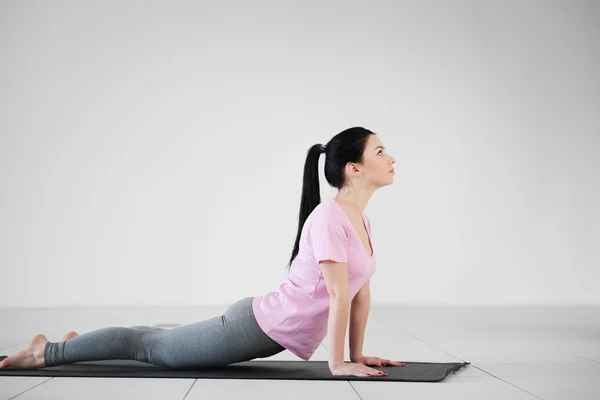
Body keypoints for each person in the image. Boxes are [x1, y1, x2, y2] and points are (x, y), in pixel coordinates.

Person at [0, 126, 404, 377]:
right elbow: (336, 295)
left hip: (263, 325)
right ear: (353, 167)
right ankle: (47, 352)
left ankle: (80, 344)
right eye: (380, 152)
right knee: (149, 348)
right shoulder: (330, 217)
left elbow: (359, 292)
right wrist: (337, 365)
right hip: (256, 326)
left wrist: (358, 355)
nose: (391, 158)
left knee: (155, 340)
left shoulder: (360, 220)